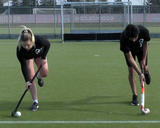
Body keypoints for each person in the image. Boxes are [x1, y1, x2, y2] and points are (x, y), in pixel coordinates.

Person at [16, 26, 50, 111]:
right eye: (24, 45)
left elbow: (48, 44)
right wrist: (27, 81)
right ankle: (35, 102)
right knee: (31, 79)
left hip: (39, 55)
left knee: (45, 73)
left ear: (32, 41)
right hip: (29, 58)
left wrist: (43, 57)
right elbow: (23, 66)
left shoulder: (39, 40)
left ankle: (38, 76)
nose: (26, 47)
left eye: (28, 45)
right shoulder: (20, 50)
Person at [120, 24, 151, 106]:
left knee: (144, 66)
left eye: (135, 38)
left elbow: (146, 43)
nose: (133, 40)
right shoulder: (123, 38)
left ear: (138, 34)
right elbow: (130, 58)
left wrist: (144, 59)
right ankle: (135, 95)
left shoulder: (144, 31)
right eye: (131, 39)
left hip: (141, 49)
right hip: (130, 52)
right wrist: (140, 73)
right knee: (131, 71)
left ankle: (146, 72)